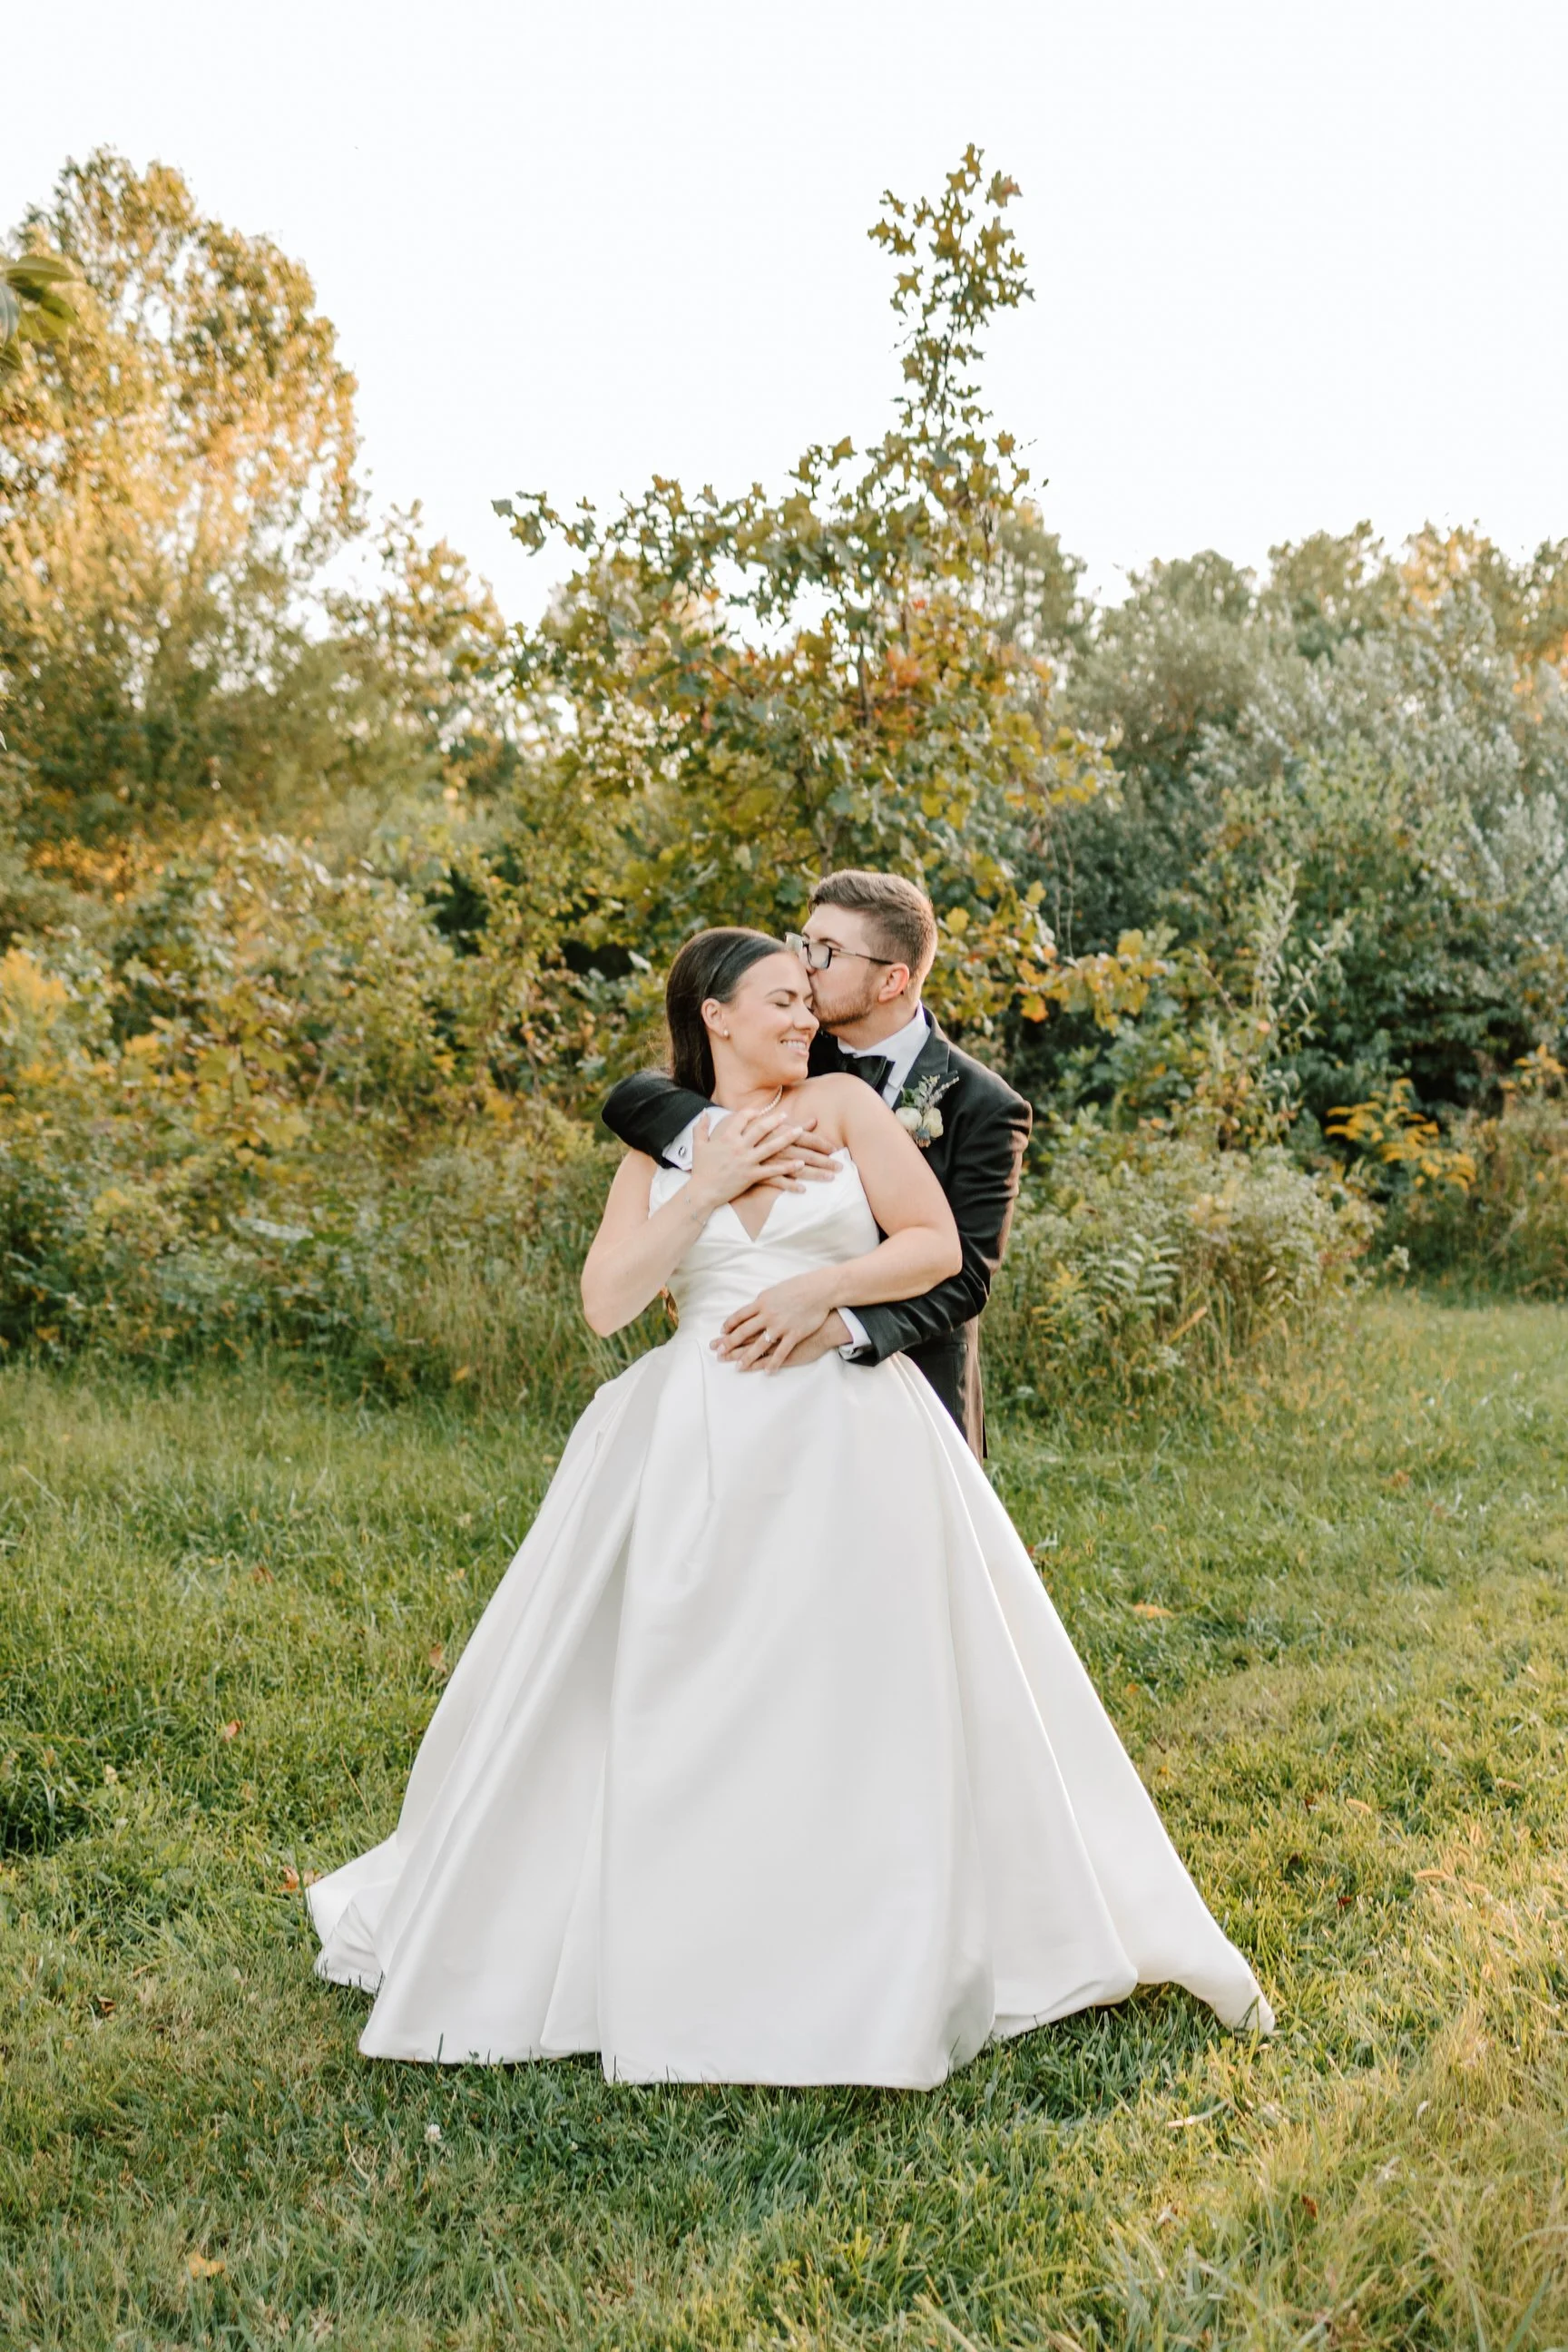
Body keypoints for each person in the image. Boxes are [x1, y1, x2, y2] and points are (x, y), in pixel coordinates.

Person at [308, 927, 1273, 2084]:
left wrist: (826, 1287)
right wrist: (704, 1186)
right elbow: (608, 1305)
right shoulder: (656, 1146)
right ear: (714, 1015)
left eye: (806, 1002)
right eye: (777, 999)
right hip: (688, 1439)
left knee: (857, 1689)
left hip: (844, 1434)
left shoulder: (846, 1114)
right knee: (668, 1685)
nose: (803, 1017)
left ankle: (868, 1931)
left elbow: (930, 1244)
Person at [602, 870, 1029, 1457]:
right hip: (730, 1388)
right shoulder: (791, 1045)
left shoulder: (984, 1106)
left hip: (906, 1375)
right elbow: (637, 1096)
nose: (804, 964)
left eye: (825, 953)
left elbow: (966, 1276)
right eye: (804, 942)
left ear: (892, 980)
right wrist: (728, 1140)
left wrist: (832, 1324)